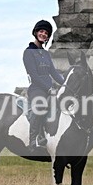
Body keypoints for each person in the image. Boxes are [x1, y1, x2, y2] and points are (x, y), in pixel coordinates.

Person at [23, 19, 65, 150]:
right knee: (40, 106)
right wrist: (48, 88)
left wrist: (66, 83)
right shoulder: (28, 52)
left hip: (50, 88)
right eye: (41, 31)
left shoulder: (46, 54)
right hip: (37, 89)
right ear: (36, 32)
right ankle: (33, 140)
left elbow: (53, 72)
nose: (43, 34)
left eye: (46, 33)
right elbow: (34, 75)